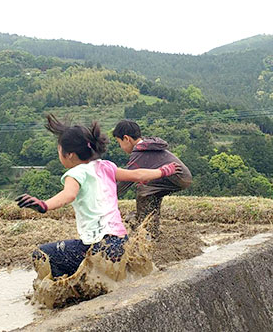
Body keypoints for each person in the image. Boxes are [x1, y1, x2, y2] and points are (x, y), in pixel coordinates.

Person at [16, 114, 180, 279]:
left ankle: (66, 293)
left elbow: (68, 195)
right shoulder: (107, 166)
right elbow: (138, 175)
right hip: (120, 244)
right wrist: (163, 171)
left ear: (70, 154)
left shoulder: (75, 173)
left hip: (98, 247)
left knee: (42, 254)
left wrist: (44, 205)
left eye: (59, 150)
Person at [112, 120, 192, 239]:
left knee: (143, 189)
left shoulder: (139, 152)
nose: (121, 147)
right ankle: (150, 228)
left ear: (126, 138)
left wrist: (105, 197)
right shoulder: (147, 146)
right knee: (151, 194)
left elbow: (126, 180)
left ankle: (144, 228)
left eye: (119, 143)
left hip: (176, 176)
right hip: (182, 176)